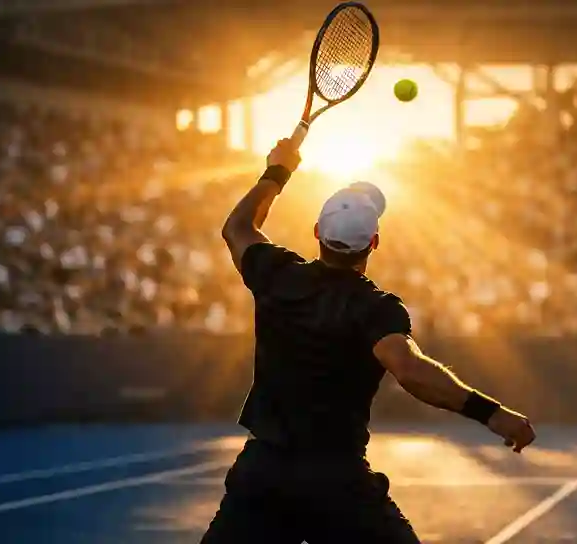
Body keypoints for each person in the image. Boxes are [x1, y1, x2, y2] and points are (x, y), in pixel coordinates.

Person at [201, 139, 536, 543]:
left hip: (262, 473)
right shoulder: (376, 308)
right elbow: (410, 370)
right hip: (337, 482)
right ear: (373, 243)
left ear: (316, 233)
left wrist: (278, 170)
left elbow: (237, 227)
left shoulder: (276, 273)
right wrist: (491, 413)